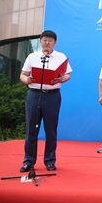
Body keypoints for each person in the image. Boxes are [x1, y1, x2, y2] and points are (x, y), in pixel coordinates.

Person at [19, 30, 72, 172]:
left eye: (50, 40)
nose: (47, 43)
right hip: (34, 95)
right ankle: (28, 161)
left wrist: (61, 79)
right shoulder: (33, 56)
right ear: (40, 41)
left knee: (51, 129)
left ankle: (50, 161)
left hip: (52, 96)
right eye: (44, 40)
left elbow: (68, 75)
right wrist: (27, 80)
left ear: (55, 42)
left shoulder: (61, 57)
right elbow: (23, 75)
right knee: (31, 130)